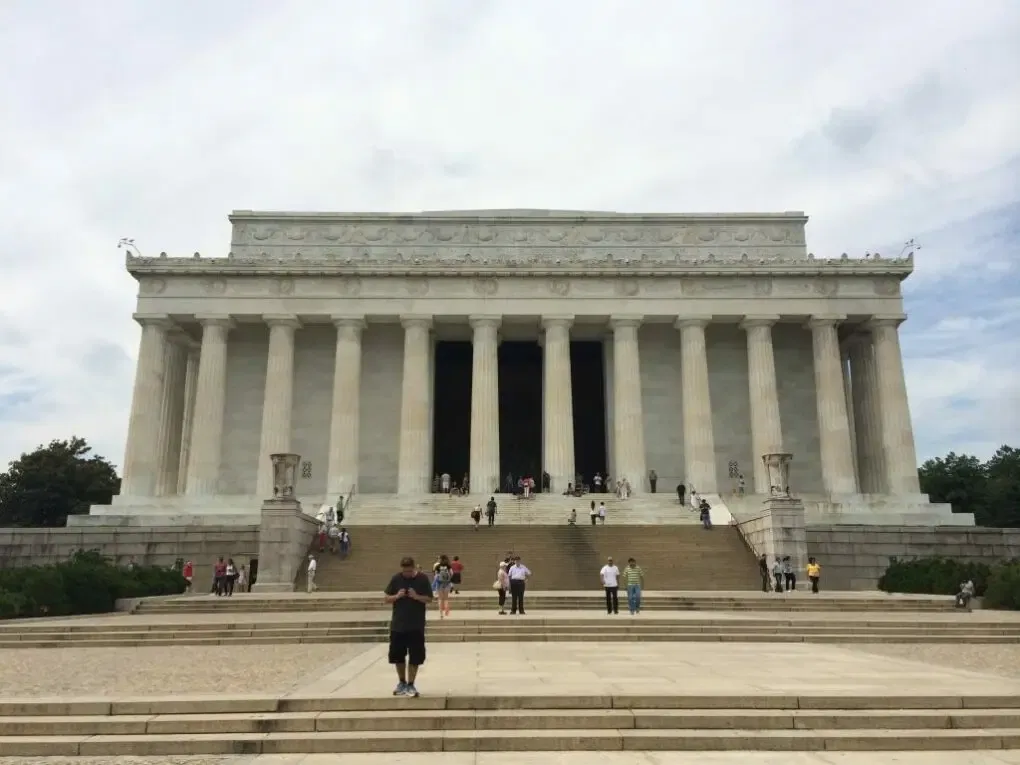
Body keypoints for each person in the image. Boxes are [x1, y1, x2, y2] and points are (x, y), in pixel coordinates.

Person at [383, 556, 433, 697]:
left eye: (410, 571)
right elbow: (386, 598)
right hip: (398, 624)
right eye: (405, 571)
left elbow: (429, 598)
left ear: (414, 568)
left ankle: (411, 684)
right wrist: (396, 596)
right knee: (398, 656)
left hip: (416, 625)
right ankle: (401, 682)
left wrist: (416, 596)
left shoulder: (422, 579)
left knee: (415, 656)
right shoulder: (396, 579)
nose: (407, 574)